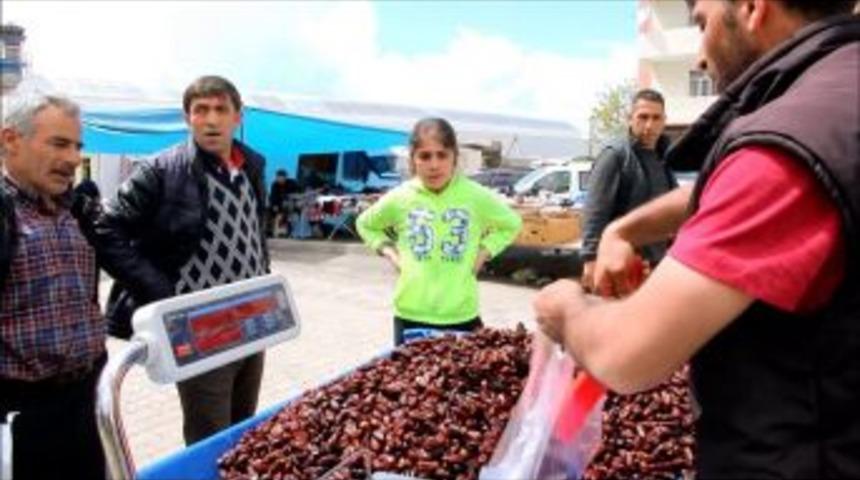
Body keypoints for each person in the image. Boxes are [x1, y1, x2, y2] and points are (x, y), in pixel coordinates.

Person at [534, 1, 859, 477]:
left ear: (752, 8)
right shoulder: (837, 103)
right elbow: (725, 188)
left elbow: (627, 354)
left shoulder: (790, 145)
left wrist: (566, 309)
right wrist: (624, 229)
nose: (702, 57)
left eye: (702, 23)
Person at [90, 75, 270, 445]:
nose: (211, 120)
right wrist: (157, 288)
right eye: (200, 110)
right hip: (200, 327)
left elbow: (254, 228)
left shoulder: (251, 166)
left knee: (244, 429)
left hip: (251, 318)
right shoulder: (161, 170)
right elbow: (105, 228)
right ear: (187, 117)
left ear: (238, 117)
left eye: (221, 109)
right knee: (210, 436)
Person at [0, 94, 106, 479]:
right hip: (23, 415)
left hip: (84, 402)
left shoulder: (75, 211)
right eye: (59, 144)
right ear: (11, 140)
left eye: (77, 146)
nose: (74, 158)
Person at [357, 117, 522, 345]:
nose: (434, 165)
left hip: (461, 315)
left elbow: (511, 224)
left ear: (455, 156)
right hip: (411, 315)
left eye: (442, 155)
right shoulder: (401, 197)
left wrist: (484, 252)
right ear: (413, 159)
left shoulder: (475, 196)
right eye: (425, 156)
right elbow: (365, 224)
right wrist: (391, 253)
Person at [580, 88, 676, 292]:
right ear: (630, 119)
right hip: (620, 266)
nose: (649, 125)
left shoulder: (664, 158)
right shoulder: (615, 156)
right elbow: (596, 209)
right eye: (643, 117)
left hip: (656, 265)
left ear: (664, 121)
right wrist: (590, 259)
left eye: (656, 118)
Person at [268, 168, 300, 237]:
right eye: (278, 177)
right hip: (279, 204)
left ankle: (290, 230)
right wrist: (274, 205)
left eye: (281, 177)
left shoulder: (292, 183)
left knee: (292, 211)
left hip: (291, 203)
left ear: (285, 177)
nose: (280, 179)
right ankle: (272, 230)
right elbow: (273, 196)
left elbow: (297, 194)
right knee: (272, 211)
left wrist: (295, 201)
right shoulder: (274, 185)